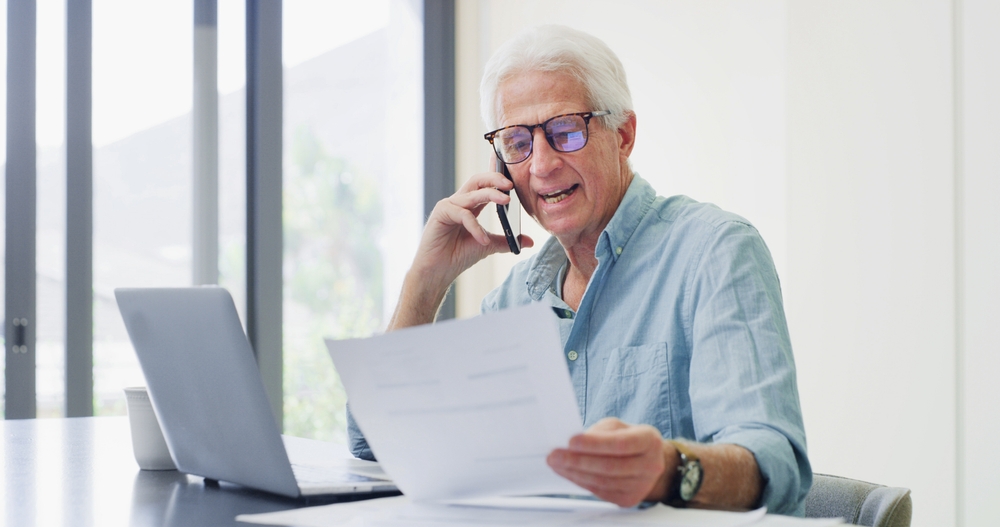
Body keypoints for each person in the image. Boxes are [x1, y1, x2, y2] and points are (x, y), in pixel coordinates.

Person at [348, 24, 811, 515]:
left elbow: (773, 465)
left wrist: (668, 469)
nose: (541, 165)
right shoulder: (513, 301)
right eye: (517, 142)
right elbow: (374, 449)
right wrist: (426, 281)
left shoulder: (715, 252)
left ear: (624, 135)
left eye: (566, 131)